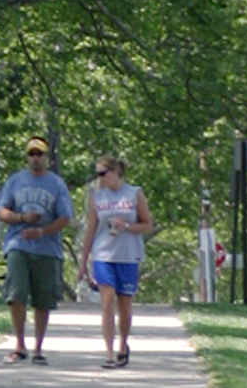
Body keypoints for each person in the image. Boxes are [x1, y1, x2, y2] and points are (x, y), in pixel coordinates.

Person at [0, 136, 75, 365]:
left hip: (47, 249)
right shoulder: (15, 181)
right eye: (31, 154)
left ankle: (38, 348)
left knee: (42, 300)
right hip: (17, 244)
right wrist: (21, 217)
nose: (35, 158)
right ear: (26, 156)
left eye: (39, 154)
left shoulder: (56, 184)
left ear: (46, 157)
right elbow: (2, 211)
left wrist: (42, 231)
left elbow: (65, 217)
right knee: (16, 293)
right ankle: (19, 345)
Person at [80, 156, 153, 369]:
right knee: (107, 299)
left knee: (125, 305)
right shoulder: (97, 197)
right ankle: (109, 353)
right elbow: (91, 229)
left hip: (128, 255)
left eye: (103, 173)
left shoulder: (134, 193)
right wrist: (83, 262)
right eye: (97, 175)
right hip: (103, 254)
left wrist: (128, 227)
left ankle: (123, 344)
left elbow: (147, 224)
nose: (100, 178)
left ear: (115, 172)